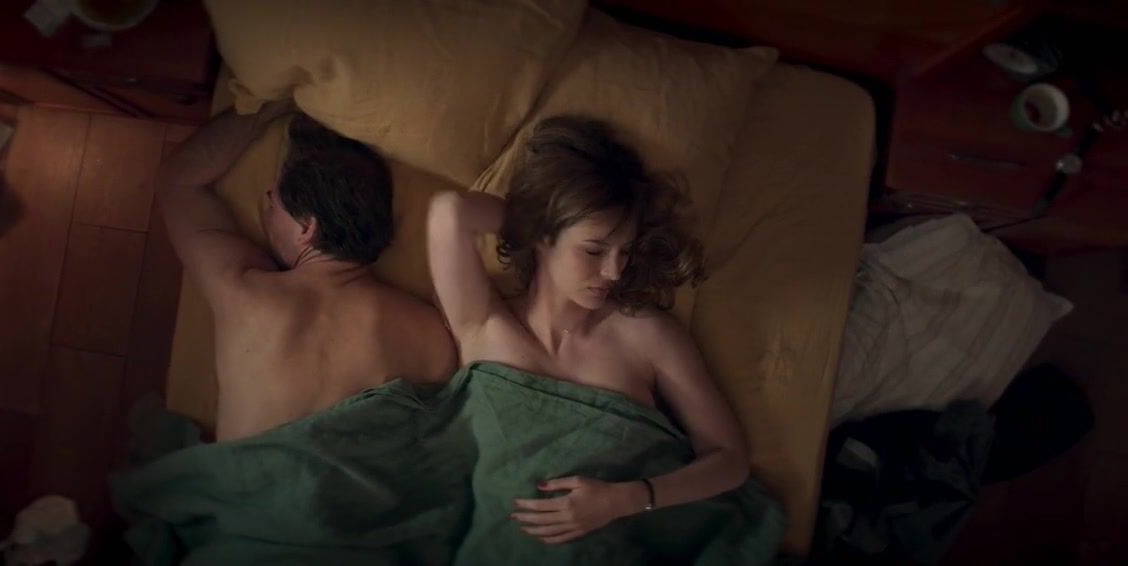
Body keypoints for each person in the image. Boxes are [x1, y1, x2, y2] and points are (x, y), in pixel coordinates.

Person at [426, 116, 749, 544]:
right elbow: (450, 211)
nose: (613, 271)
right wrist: (536, 220)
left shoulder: (647, 335)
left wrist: (627, 499)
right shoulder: (483, 322)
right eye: (594, 250)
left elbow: (730, 460)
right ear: (544, 236)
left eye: (624, 251)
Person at [157, 102, 457, 442]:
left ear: (306, 228)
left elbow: (177, 179)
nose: (266, 211)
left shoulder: (244, 292)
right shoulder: (434, 336)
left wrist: (268, 104)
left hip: (251, 474)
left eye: (273, 201)